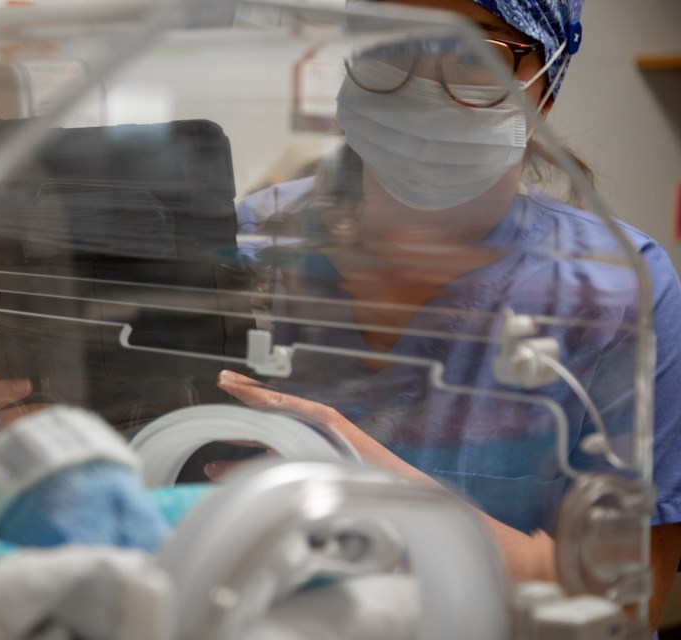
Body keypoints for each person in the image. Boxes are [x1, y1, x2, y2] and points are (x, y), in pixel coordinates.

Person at [210, 0, 681, 633]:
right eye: (388, 44)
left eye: (473, 54)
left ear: (542, 88)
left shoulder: (619, 288)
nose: (421, 83)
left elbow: (629, 599)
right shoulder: (255, 242)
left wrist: (369, 483)